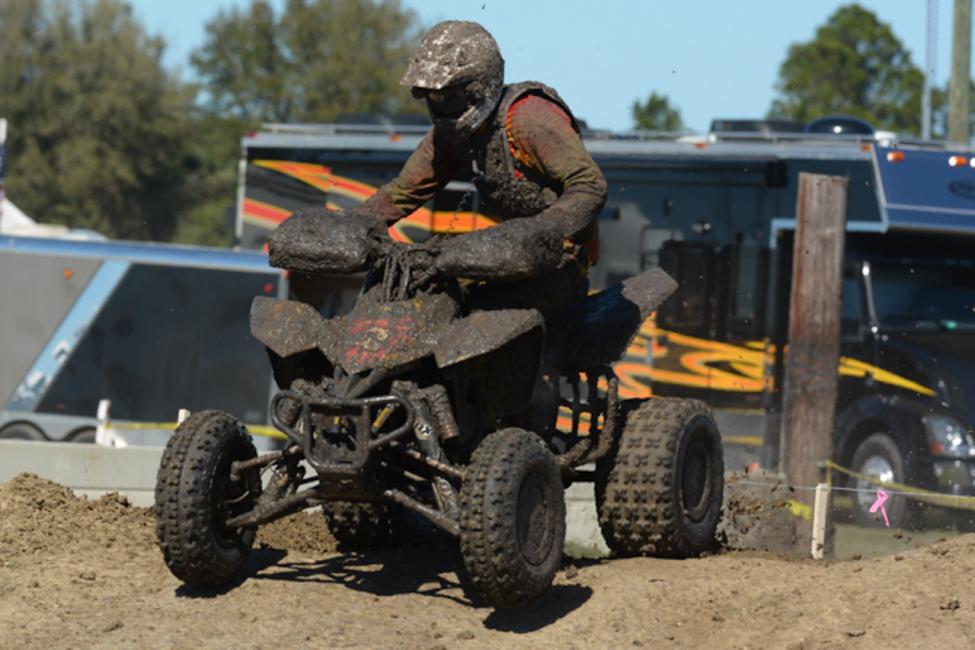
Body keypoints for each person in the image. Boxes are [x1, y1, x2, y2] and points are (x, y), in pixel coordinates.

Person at [355, 20, 607, 316]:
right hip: (510, 257)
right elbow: (402, 192)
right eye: (434, 96)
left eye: (449, 96)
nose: (441, 104)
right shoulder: (450, 135)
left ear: (478, 87)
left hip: (561, 260)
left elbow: (590, 185)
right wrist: (353, 224)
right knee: (417, 290)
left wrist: (541, 229)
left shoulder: (528, 118)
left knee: (483, 309)